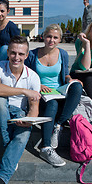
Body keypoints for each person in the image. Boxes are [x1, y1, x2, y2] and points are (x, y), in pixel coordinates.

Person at [0, 36, 41, 184]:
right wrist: (24, 91)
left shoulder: (33, 77)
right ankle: (9, 147)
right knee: (0, 100)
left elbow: (34, 108)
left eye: (21, 54)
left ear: (27, 55)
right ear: (8, 53)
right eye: (13, 53)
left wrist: (29, 121)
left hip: (19, 116)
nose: (16, 57)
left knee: (23, 135)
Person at [25, 24, 83, 167]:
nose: (51, 40)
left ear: (59, 39)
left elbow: (65, 74)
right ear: (43, 37)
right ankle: (45, 147)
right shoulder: (33, 54)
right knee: (53, 104)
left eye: (55, 37)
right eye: (49, 36)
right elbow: (25, 75)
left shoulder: (62, 54)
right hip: (42, 95)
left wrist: (70, 80)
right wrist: (37, 85)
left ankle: (58, 125)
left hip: (59, 91)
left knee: (77, 86)